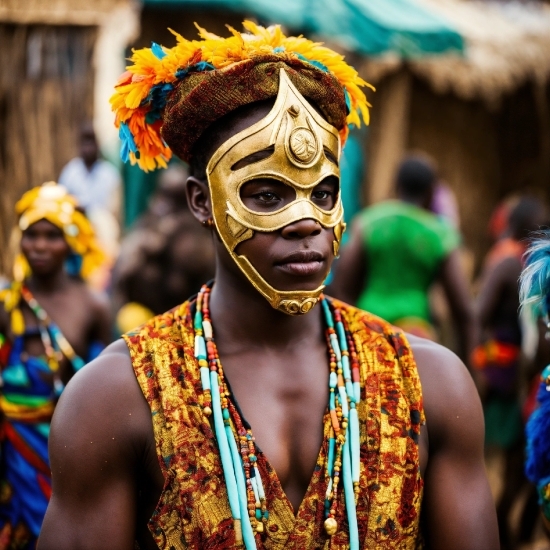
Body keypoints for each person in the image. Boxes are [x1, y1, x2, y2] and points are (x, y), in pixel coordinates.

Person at [38, 22, 498, 549]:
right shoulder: (114, 401)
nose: (306, 221)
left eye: (324, 193)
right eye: (264, 193)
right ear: (201, 201)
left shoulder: (432, 386)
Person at [0, 182, 112, 548]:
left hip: (70, 447)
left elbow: (107, 387)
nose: (41, 247)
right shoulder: (8, 304)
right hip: (14, 453)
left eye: (53, 236)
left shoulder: (92, 306)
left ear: (72, 241)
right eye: (32, 235)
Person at [330, 155, 473, 359]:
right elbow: (462, 309)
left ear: (396, 184)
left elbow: (341, 285)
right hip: (415, 333)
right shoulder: (440, 234)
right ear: (432, 191)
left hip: (368, 325)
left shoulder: (369, 222)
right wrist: (467, 368)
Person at [473, 197, 546, 548]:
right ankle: (503, 530)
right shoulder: (511, 264)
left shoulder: (522, 264)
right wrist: (481, 362)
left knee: (520, 462)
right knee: (505, 457)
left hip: (522, 378)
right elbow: (479, 316)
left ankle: (511, 532)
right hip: (508, 376)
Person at [112, 164, 215, 331]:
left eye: (173, 200)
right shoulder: (146, 229)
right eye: (162, 197)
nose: (162, 207)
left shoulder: (197, 240)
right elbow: (124, 279)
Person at [58, 122, 122, 262]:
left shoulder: (110, 174)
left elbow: (115, 213)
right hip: (75, 237)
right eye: (84, 142)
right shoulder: (69, 173)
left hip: (103, 238)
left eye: (91, 142)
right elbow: (61, 207)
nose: (88, 147)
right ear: (78, 145)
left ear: (98, 145)